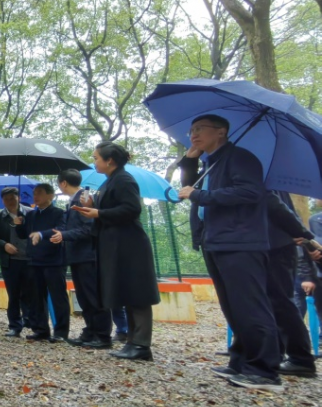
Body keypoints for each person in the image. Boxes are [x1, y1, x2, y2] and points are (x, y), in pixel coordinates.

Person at [176, 116, 282, 389]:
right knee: (233, 306)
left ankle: (264, 370)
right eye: (191, 131)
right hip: (215, 241)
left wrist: (200, 196)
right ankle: (241, 360)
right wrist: (189, 160)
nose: (194, 135)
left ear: (221, 132)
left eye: (200, 130)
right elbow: (187, 187)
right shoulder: (212, 163)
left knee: (250, 305)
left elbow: (249, 192)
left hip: (240, 242)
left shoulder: (240, 158)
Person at [73, 141, 160, 362]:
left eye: (96, 158)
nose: (94, 161)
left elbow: (132, 208)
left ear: (109, 160)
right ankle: (132, 341)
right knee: (127, 293)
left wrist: (98, 213)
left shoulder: (124, 179)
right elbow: (111, 208)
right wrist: (94, 205)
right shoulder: (110, 180)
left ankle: (141, 345)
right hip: (115, 245)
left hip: (130, 246)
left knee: (137, 294)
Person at [56, 170, 113, 350]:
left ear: (63, 183)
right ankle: (90, 331)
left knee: (93, 295)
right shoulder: (74, 199)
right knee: (83, 296)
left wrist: (63, 235)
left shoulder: (84, 198)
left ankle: (102, 335)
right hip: (77, 256)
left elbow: (88, 229)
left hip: (88, 255)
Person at [262, 192, 317, 377]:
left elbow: (279, 209)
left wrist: (304, 235)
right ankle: (276, 354)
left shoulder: (268, 182)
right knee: (273, 303)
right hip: (268, 244)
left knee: (281, 303)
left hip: (277, 247)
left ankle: (300, 358)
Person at [23, 183, 71, 342]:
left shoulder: (59, 213)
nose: (35, 196)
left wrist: (41, 234)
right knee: (36, 297)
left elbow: (60, 230)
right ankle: (41, 329)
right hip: (34, 261)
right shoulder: (31, 215)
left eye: (40, 193)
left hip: (54, 260)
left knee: (58, 296)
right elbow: (25, 234)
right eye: (34, 193)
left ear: (50, 196)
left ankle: (61, 332)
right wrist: (18, 224)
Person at [0, 187, 35, 337]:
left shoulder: (30, 213)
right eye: (6, 199)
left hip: (30, 259)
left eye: (13, 198)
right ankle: (15, 325)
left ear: (18, 198)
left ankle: (31, 320)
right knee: (13, 294)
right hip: (10, 261)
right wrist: (4, 245)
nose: (10, 201)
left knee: (30, 293)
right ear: (3, 201)